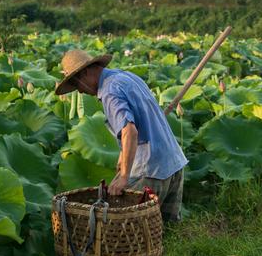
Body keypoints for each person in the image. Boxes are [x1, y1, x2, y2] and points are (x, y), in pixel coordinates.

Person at [55, 49, 188, 222]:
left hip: (150, 171)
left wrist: (124, 176)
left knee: (135, 235)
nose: (79, 92)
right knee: (166, 234)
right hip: (174, 163)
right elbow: (144, 120)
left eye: (76, 84)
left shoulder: (109, 92)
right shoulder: (125, 77)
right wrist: (122, 155)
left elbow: (130, 131)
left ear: (85, 73)